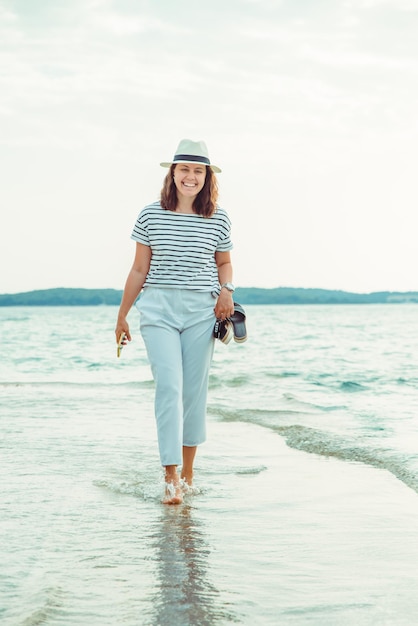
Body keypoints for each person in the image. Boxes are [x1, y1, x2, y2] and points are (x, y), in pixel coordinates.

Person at [115, 139, 235, 505]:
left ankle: (188, 473)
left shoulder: (219, 217)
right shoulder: (150, 215)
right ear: (173, 173)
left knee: (193, 395)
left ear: (206, 177)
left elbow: (223, 263)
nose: (190, 176)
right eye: (184, 169)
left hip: (202, 311)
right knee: (169, 387)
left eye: (198, 170)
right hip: (158, 310)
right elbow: (139, 268)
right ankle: (170, 478)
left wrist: (226, 290)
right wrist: (121, 315)